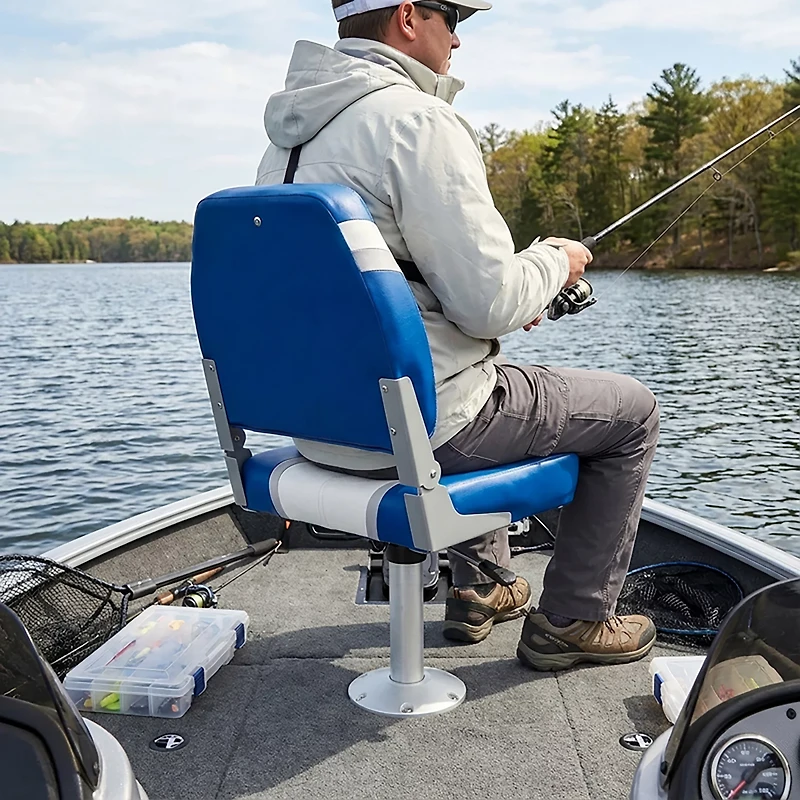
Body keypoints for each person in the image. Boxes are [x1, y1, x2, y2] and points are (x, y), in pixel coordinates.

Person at [256, 0, 659, 671]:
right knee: (630, 413)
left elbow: (395, 286)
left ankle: (485, 587)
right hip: (415, 432)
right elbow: (490, 302)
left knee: (490, 381)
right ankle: (574, 618)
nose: (458, 42)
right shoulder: (417, 120)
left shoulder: (285, 146)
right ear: (410, 17)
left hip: (321, 431)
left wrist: (499, 293)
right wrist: (556, 260)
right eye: (453, 21)